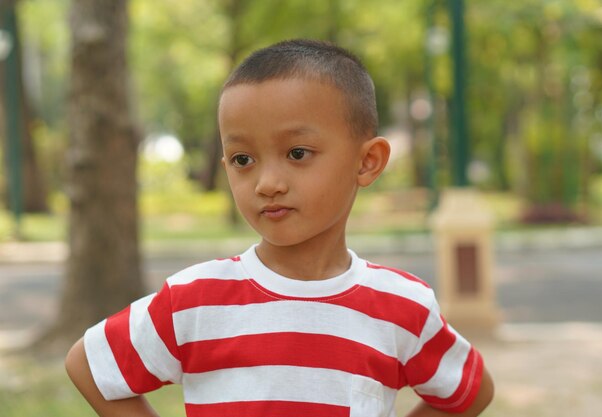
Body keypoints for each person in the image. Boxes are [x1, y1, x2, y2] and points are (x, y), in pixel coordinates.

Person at [65, 39, 494, 417]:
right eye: (242, 160)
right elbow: (89, 364)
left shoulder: (403, 307)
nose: (267, 183)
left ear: (367, 162)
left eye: (297, 152)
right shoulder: (194, 300)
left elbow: (470, 392)